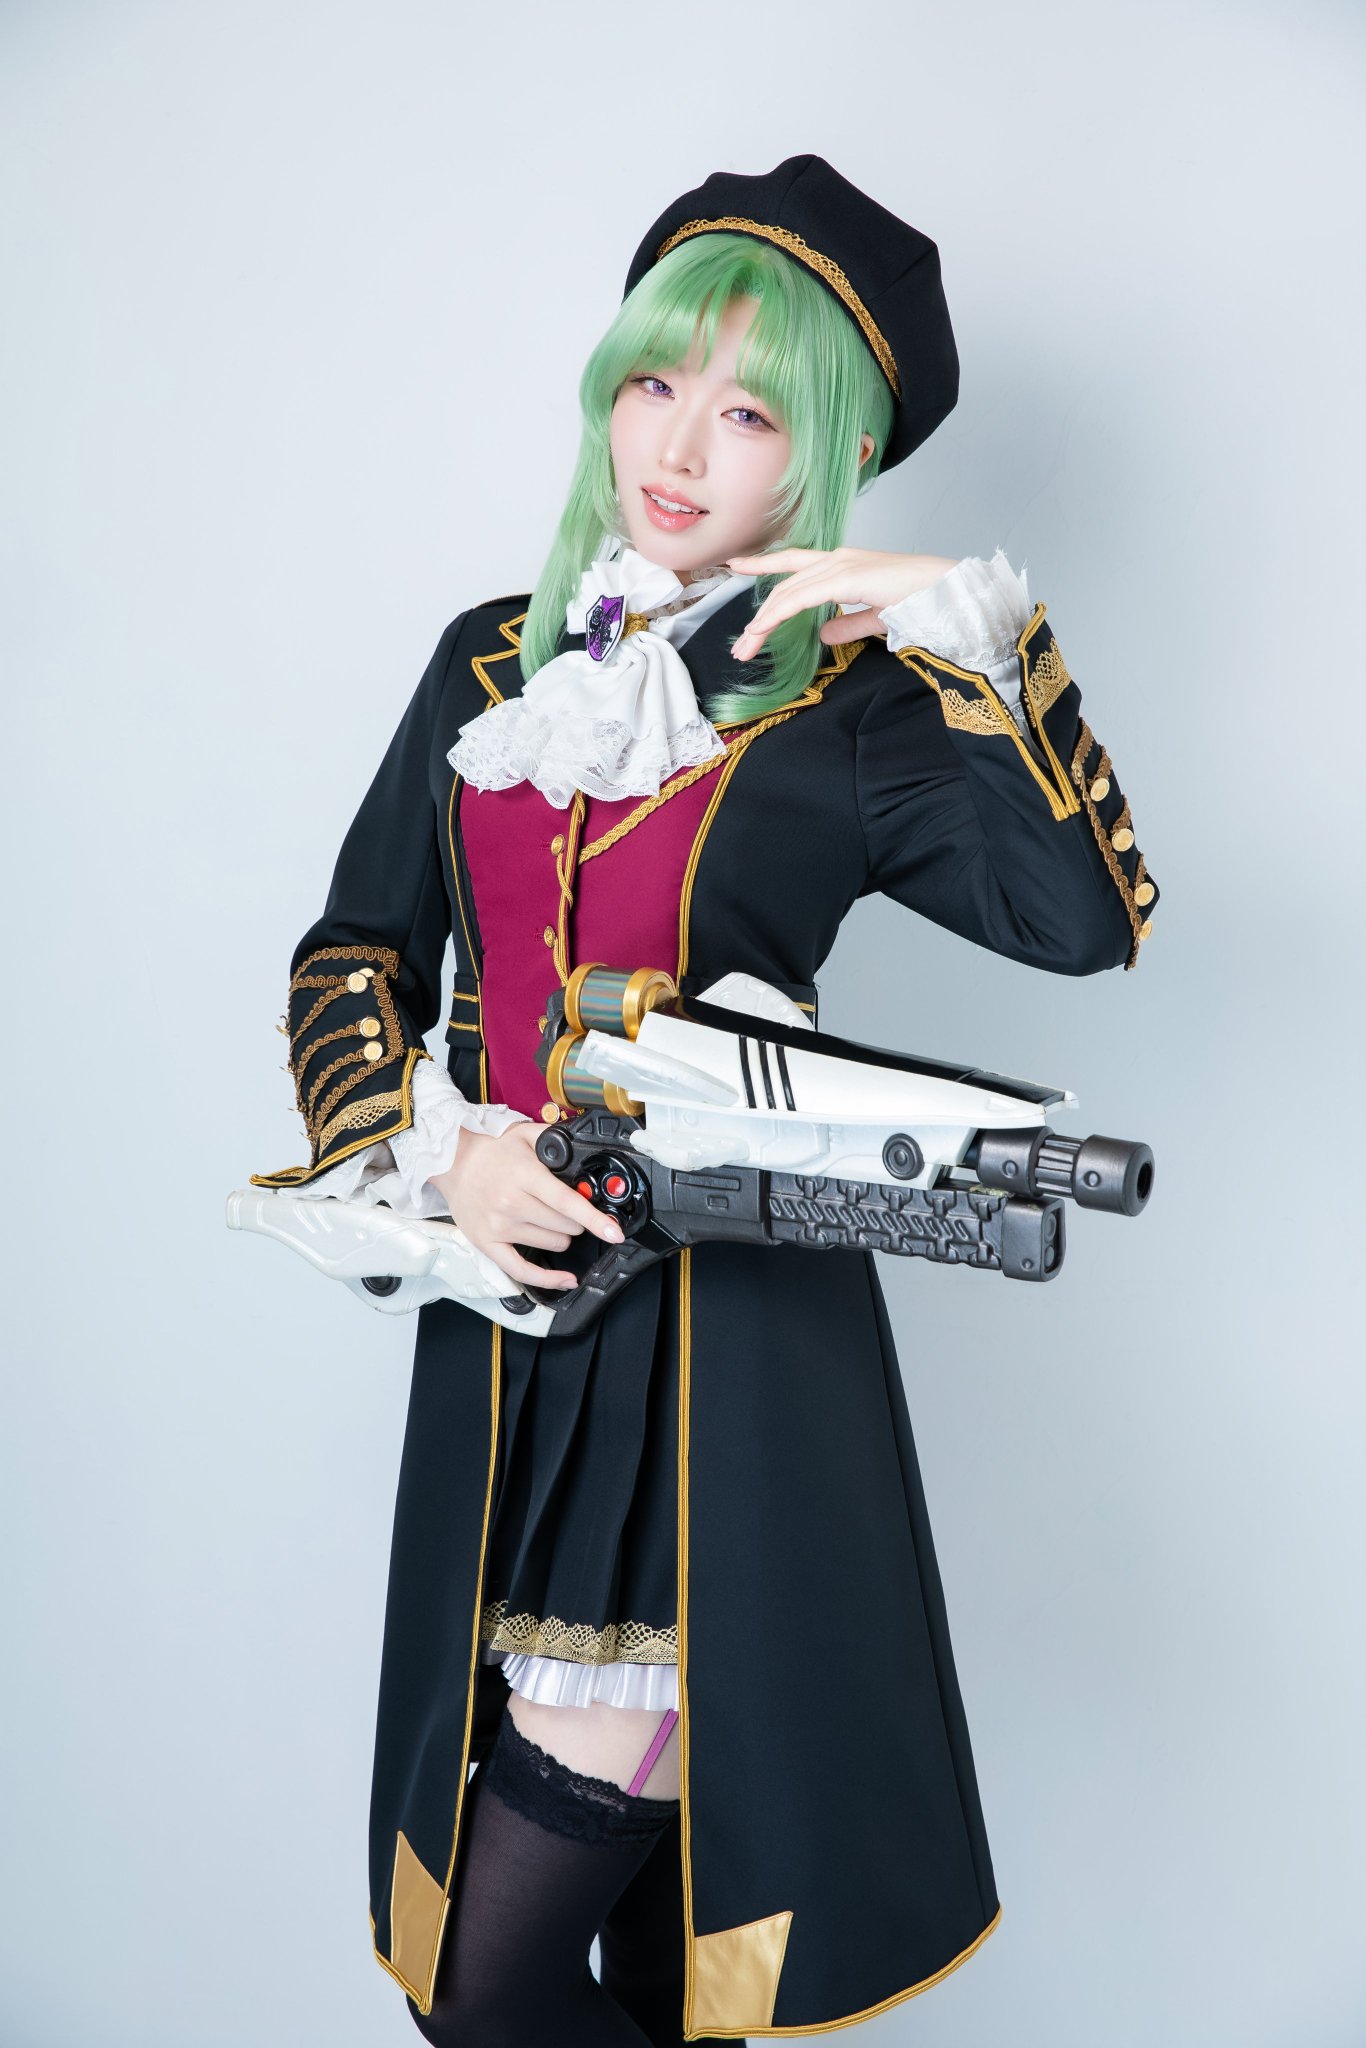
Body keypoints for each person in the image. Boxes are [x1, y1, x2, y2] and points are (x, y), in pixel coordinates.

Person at [247, 155, 1159, 2043]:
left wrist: (965, 624)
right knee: (616, 1983)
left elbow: (1077, 923)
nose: (677, 445)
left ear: (824, 459)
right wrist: (442, 1159)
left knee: (507, 1989)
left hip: (727, 1373)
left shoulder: (859, 710)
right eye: (655, 383)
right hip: (506, 1350)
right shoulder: (487, 663)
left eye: (749, 414)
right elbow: (353, 956)